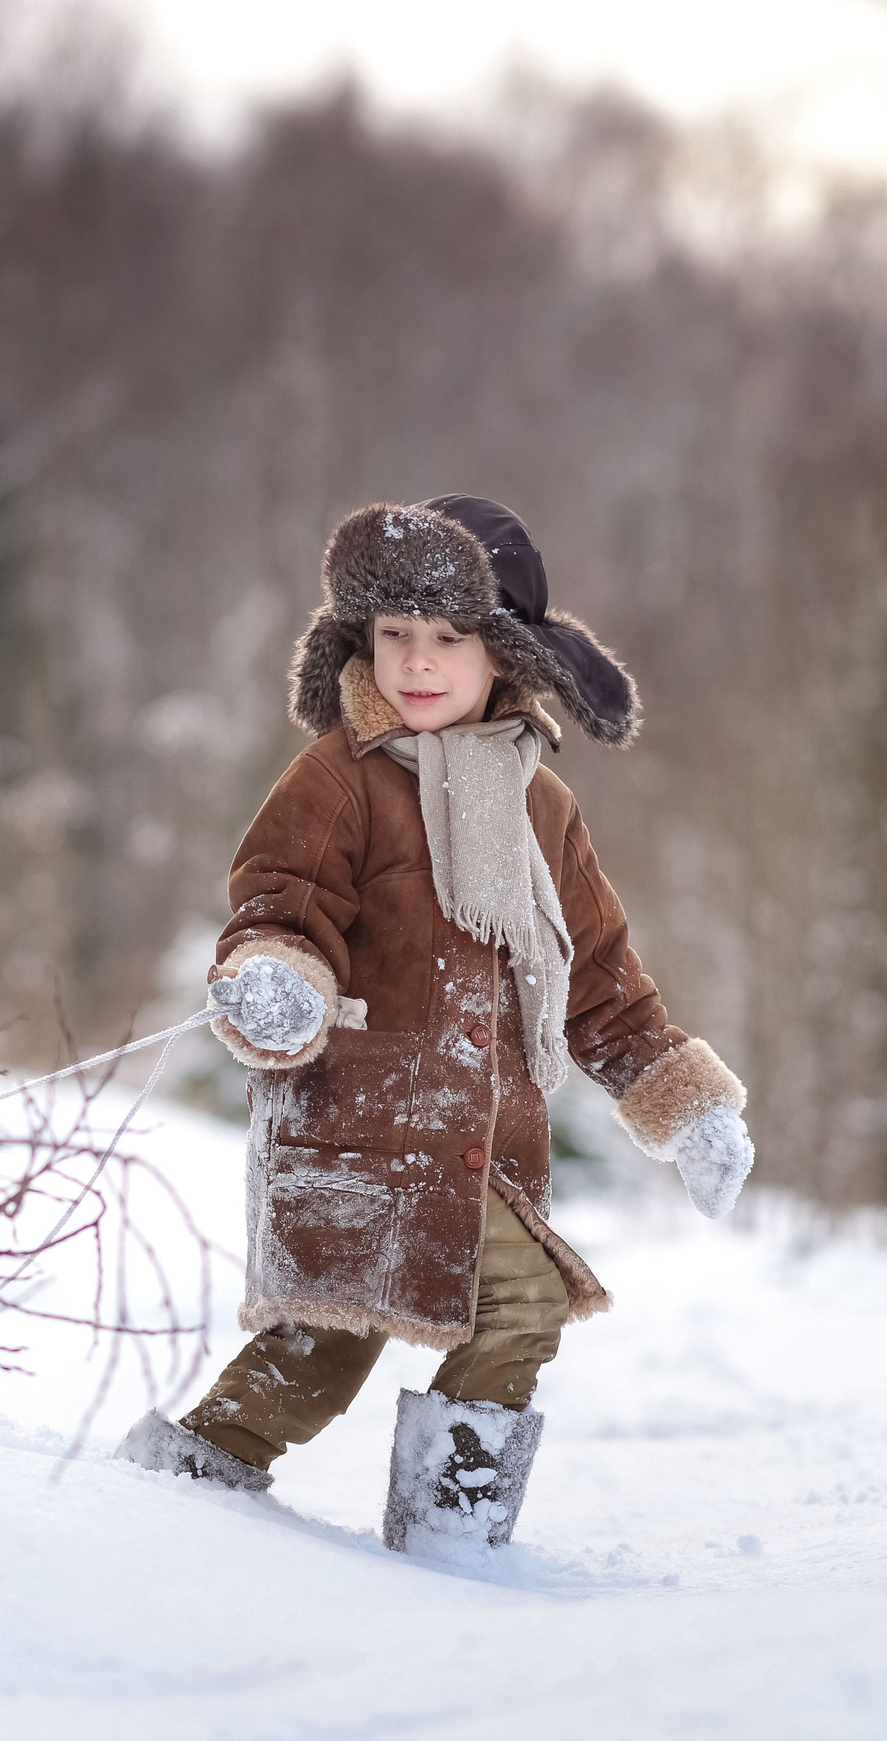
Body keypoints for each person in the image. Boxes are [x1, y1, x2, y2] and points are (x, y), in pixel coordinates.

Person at [117, 495, 755, 1557]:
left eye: (448, 638)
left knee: (343, 1339)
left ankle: (217, 1477)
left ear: (504, 655)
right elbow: (279, 908)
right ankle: (271, 1527)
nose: (415, 662)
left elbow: (597, 977)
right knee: (465, 1316)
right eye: (393, 634)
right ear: (357, 641)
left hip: (476, 1149)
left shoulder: (541, 806)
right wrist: (278, 978)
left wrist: (685, 1108)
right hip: (354, 1130)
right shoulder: (339, 777)